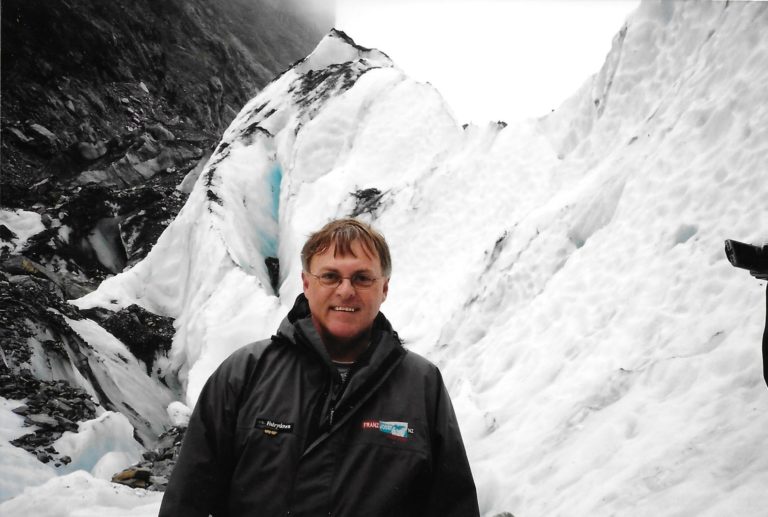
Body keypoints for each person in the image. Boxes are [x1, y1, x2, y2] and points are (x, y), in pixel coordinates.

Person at [159, 218, 479, 516]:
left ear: (384, 288)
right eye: (330, 276)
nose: (345, 290)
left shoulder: (420, 384)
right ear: (306, 284)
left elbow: (453, 504)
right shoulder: (243, 374)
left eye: (362, 278)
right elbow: (189, 500)